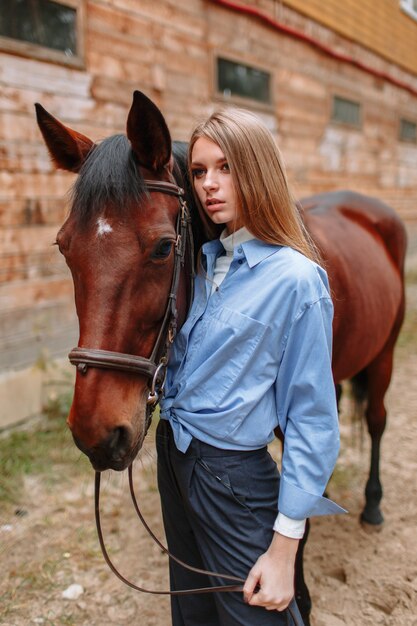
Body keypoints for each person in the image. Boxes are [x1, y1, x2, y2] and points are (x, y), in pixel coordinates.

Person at [157, 107, 345, 626]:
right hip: (172, 460)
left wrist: (285, 550)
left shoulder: (297, 280)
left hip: (232, 474)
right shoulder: (200, 263)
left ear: (257, 171)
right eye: (198, 172)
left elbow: (312, 421)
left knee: (255, 615)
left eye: (225, 168)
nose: (209, 185)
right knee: (192, 613)